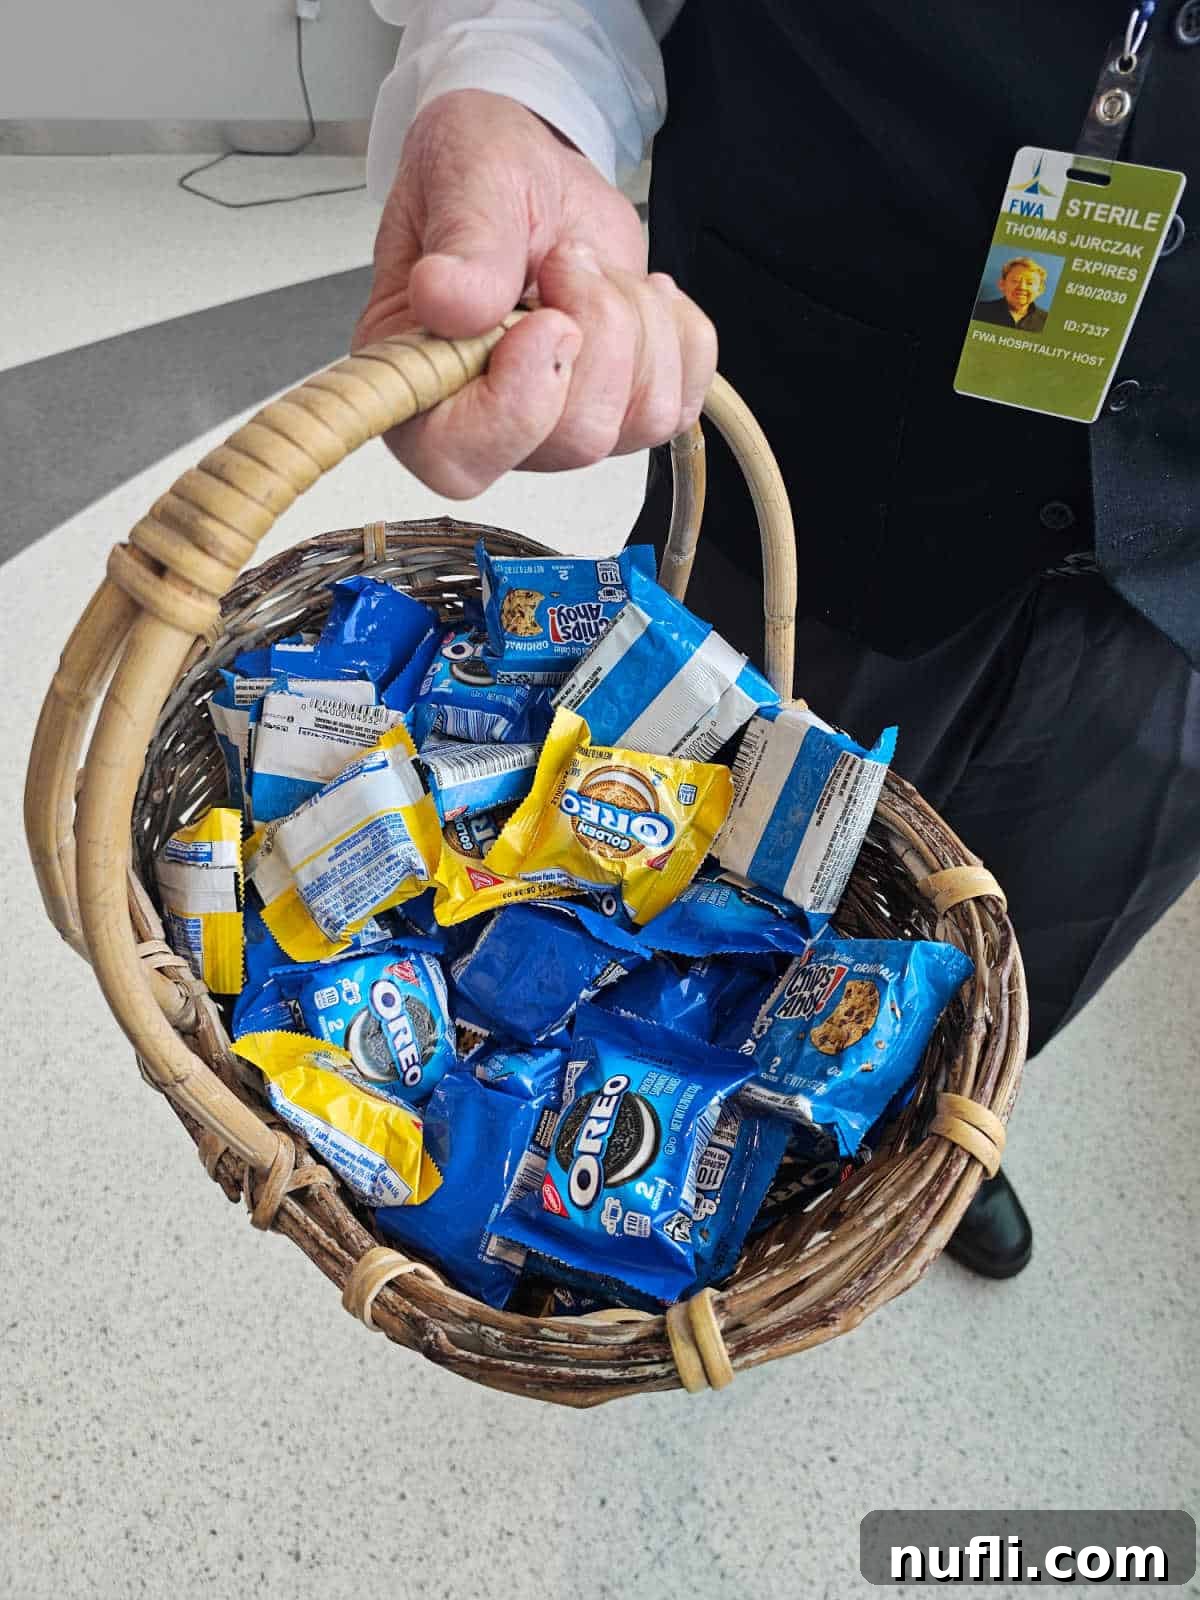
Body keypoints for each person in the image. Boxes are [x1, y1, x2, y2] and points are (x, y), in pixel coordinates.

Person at [356, 1, 1200, 1279]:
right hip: (819, 453)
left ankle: (908, 1128)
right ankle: (652, 1155)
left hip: (1177, 586)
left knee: (1043, 924)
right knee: (687, 840)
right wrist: (514, 90)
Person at [973, 257, 1051, 332]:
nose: (1022, 287)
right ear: (1002, 284)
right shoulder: (977, 311)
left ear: (1040, 290)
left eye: (1030, 283)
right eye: (1015, 281)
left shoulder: (1048, 321)